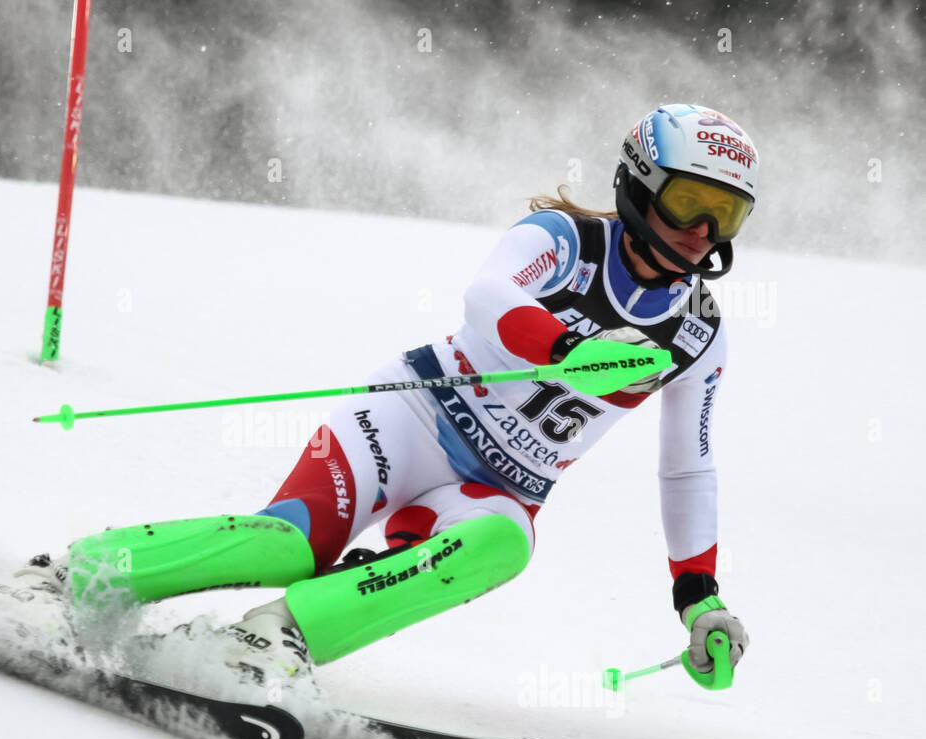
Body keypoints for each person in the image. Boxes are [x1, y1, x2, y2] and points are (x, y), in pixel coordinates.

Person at [37, 103, 755, 688]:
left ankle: (276, 638)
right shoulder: (565, 240)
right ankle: (81, 573)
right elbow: (487, 298)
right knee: (291, 544)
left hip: (501, 488)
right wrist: (569, 352)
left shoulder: (698, 334)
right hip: (412, 417)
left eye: (725, 215)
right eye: (689, 202)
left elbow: (687, 467)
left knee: (507, 544)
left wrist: (699, 597)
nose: (701, 234)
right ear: (638, 183)